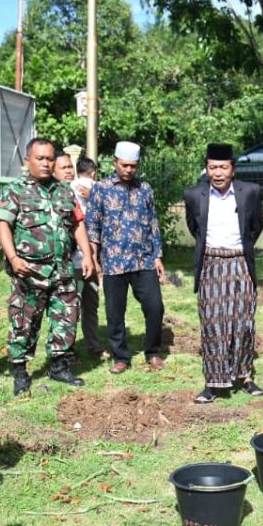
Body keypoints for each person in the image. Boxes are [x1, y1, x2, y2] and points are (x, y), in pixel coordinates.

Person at [0, 138, 95, 396]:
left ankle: (59, 366)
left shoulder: (64, 191)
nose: (46, 163)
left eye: (50, 158)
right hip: (29, 272)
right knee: (24, 323)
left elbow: (77, 224)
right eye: (40, 158)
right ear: (27, 161)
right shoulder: (15, 190)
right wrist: (14, 258)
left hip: (62, 271)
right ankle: (20, 372)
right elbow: (2, 224)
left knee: (66, 318)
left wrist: (87, 255)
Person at [183, 143, 263, 403]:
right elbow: (194, 228)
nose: (217, 173)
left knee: (243, 322)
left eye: (223, 167)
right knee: (212, 324)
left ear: (233, 169)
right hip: (210, 263)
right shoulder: (194, 195)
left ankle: (244, 377)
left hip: (240, 263)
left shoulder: (250, 192)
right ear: (206, 168)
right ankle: (213, 382)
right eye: (212, 167)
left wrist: (239, 251)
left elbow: (255, 228)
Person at [86, 141, 167, 373]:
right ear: (115, 162)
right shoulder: (101, 189)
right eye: (124, 165)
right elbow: (92, 226)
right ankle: (121, 357)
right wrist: (94, 257)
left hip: (144, 259)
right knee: (114, 312)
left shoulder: (145, 189)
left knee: (155, 307)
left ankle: (152, 351)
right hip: (113, 262)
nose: (129, 170)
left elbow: (153, 224)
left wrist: (158, 256)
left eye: (133, 166)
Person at [71, 156, 106, 356]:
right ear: (93, 171)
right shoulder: (96, 187)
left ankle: (82, 346)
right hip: (83, 258)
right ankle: (80, 346)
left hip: (84, 258)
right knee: (85, 305)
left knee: (80, 304)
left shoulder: (70, 186)